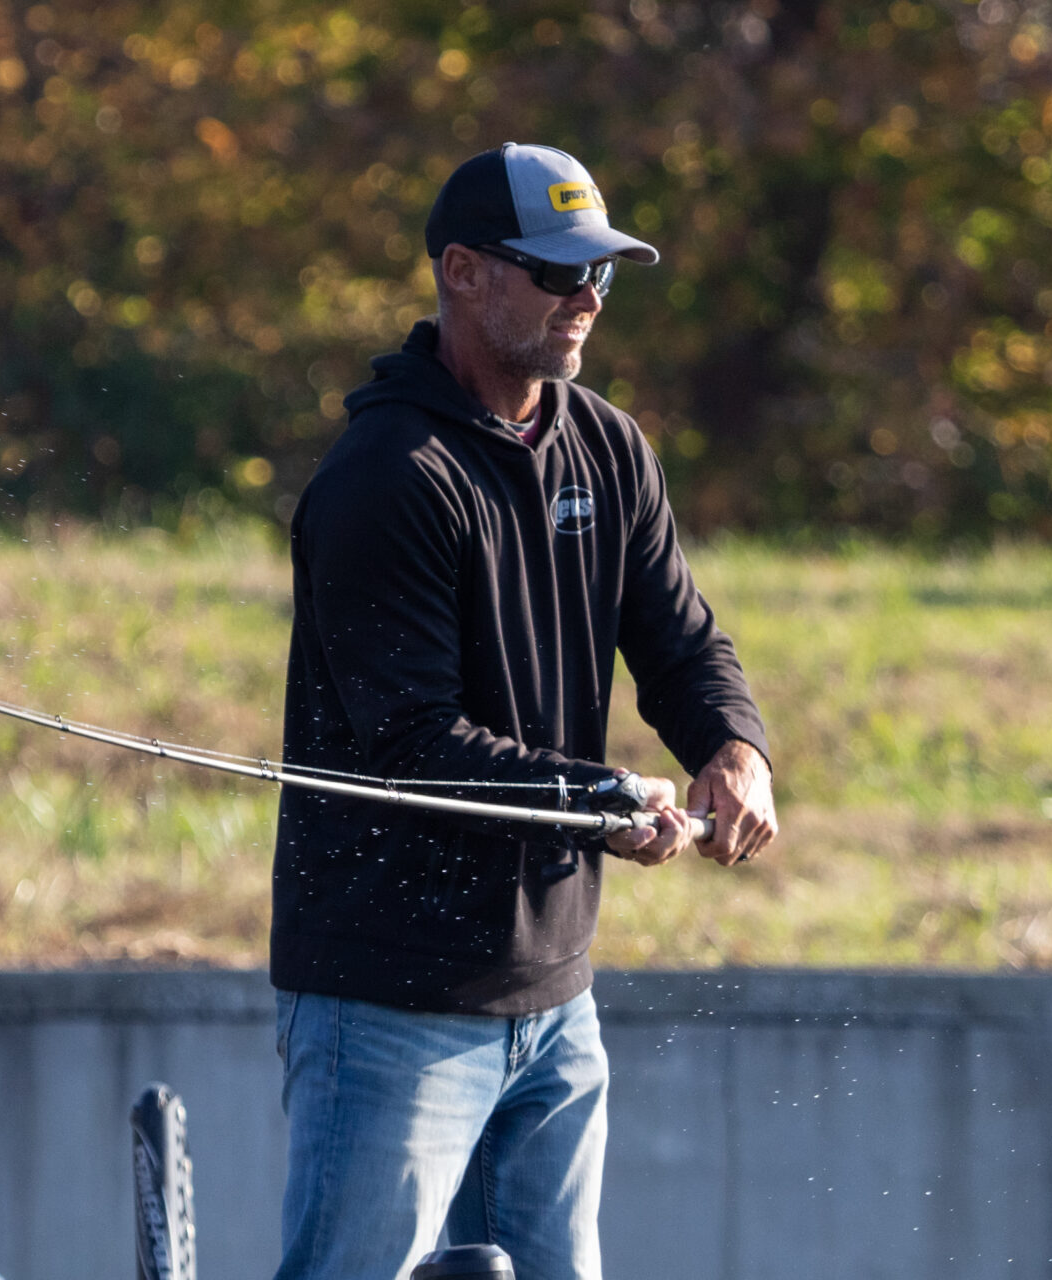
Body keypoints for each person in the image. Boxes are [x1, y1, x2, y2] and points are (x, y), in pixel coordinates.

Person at [272, 143, 778, 1279]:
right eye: (557, 272)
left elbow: (682, 639)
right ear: (462, 272)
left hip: (554, 999)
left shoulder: (605, 444)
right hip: (388, 998)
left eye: (601, 272)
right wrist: (601, 800)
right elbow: (412, 741)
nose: (587, 298)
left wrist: (731, 745)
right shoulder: (385, 477)